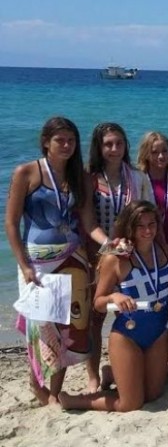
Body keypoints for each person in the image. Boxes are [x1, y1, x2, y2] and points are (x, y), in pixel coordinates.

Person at [5, 117, 110, 405]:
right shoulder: (26, 172)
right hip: (37, 263)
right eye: (60, 140)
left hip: (73, 258)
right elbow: (11, 224)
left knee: (68, 326)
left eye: (71, 140)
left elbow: (89, 224)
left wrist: (109, 244)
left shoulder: (80, 177)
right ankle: (35, 381)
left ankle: (54, 392)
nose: (66, 145)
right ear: (46, 142)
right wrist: (24, 265)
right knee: (41, 324)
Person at [59, 201, 168, 411]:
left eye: (152, 224)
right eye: (140, 226)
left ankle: (112, 373)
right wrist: (114, 296)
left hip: (158, 334)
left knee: (153, 395)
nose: (147, 231)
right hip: (128, 335)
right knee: (130, 404)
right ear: (130, 227)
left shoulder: (167, 252)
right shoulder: (117, 257)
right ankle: (75, 401)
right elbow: (97, 303)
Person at [87, 122, 155, 391]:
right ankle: (92, 374)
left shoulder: (138, 178)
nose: (114, 149)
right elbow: (87, 221)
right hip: (97, 254)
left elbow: (150, 216)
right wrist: (109, 246)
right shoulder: (90, 178)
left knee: (132, 312)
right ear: (99, 147)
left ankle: (119, 369)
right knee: (95, 317)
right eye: (108, 144)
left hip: (132, 258)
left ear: (126, 145)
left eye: (119, 143)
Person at [136, 131, 168, 245]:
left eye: (165, 151)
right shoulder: (138, 183)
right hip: (145, 243)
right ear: (146, 154)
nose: (161, 156)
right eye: (154, 152)